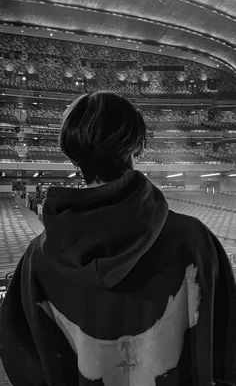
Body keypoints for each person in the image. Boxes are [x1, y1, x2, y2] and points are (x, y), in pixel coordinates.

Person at [0, 91, 236, 386]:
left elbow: (22, 359)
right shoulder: (195, 241)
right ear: (137, 147)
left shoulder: (38, 259)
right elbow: (227, 353)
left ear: (73, 155)